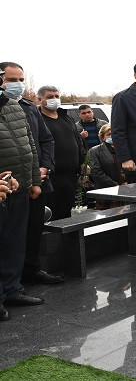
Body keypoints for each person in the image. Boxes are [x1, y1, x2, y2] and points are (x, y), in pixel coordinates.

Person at [0, 63, 61, 285]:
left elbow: (44, 140)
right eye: (11, 79)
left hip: (35, 179)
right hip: (7, 185)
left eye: (20, 80)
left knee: (33, 230)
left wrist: (44, 168)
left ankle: (30, 271)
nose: (17, 85)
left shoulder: (28, 107)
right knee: (10, 237)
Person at [0, 83, 44, 321]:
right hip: (1, 189)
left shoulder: (15, 108)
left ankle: (12, 289)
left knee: (15, 242)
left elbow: (31, 147)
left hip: (19, 186)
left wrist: (34, 180)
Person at [38, 85, 86, 220]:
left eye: (57, 96)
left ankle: (67, 241)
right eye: (50, 97)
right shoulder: (37, 119)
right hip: (50, 176)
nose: (54, 99)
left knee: (66, 213)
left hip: (70, 175)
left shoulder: (66, 117)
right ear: (40, 99)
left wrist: (82, 162)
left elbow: (77, 141)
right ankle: (51, 241)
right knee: (50, 214)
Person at [89, 125, 127, 209]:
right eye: (109, 134)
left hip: (125, 190)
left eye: (114, 134)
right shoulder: (95, 151)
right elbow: (96, 172)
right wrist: (115, 185)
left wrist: (127, 183)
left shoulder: (123, 149)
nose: (112, 136)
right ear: (102, 137)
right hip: (106, 191)